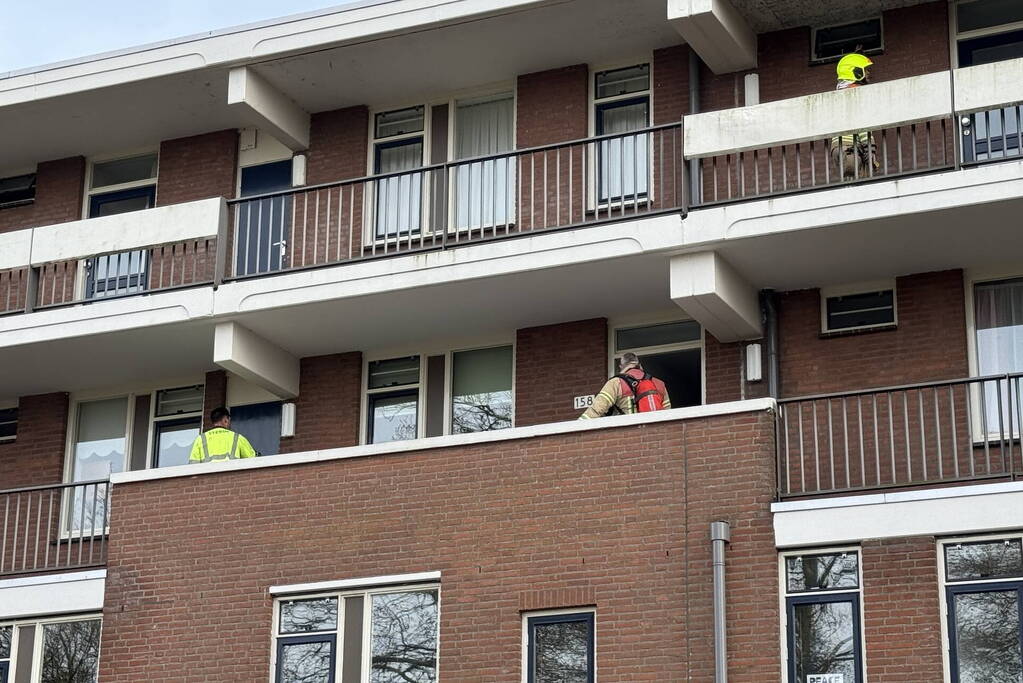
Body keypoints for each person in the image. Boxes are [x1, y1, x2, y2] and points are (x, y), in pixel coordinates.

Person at [579, 353, 671, 419]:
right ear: (640, 365)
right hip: (656, 434)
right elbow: (668, 413)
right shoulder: (659, 383)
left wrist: (577, 427)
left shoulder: (616, 383)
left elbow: (597, 409)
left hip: (630, 434)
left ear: (621, 366)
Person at [831, 52, 878, 179]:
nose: (868, 73)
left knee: (850, 182)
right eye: (865, 70)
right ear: (856, 72)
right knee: (862, 182)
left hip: (837, 147)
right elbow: (861, 123)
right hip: (851, 148)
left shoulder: (839, 93)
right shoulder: (856, 94)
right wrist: (870, 148)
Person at [189, 406, 257, 463]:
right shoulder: (237, 438)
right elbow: (253, 461)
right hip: (231, 474)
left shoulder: (200, 439)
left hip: (208, 475)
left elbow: (193, 464)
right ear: (226, 420)